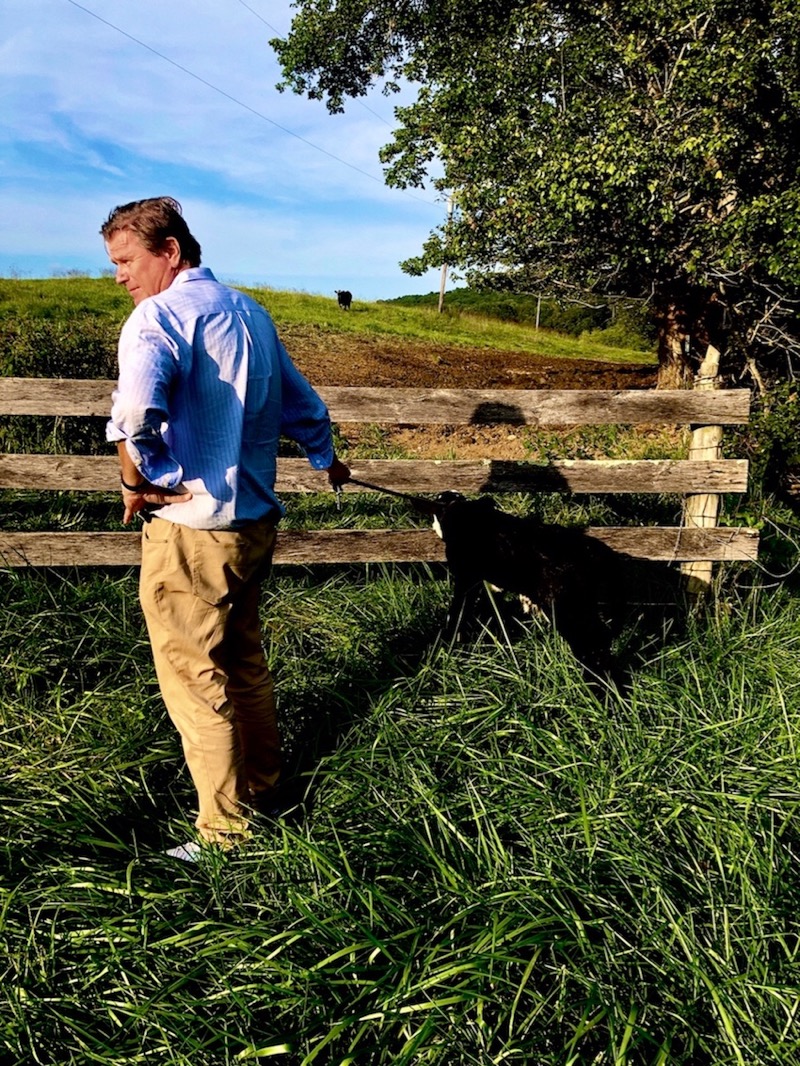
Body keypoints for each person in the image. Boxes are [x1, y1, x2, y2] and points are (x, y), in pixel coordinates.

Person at [102, 196, 349, 861]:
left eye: (127, 261)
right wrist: (324, 458)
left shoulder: (156, 318)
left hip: (191, 528)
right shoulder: (253, 314)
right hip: (254, 524)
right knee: (242, 662)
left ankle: (225, 835)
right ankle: (265, 792)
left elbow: (135, 412)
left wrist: (142, 478)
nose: (120, 276)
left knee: (194, 677)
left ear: (170, 251)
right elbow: (307, 406)